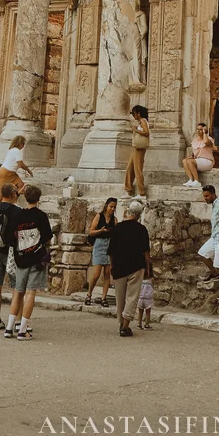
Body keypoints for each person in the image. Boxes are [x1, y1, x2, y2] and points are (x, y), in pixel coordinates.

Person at [4, 183, 53, 340]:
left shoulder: (18, 215)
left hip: (20, 257)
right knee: (31, 293)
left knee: (18, 292)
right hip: (36, 258)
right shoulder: (41, 216)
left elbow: (10, 237)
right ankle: (23, 330)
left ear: (25, 198)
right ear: (39, 199)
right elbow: (47, 237)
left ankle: (9, 327)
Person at [109, 198, 151, 338]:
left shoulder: (117, 228)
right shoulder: (142, 229)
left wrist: (111, 265)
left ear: (128, 211)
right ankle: (126, 325)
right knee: (132, 297)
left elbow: (111, 250)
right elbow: (146, 251)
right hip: (136, 266)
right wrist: (148, 267)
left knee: (120, 297)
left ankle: (122, 323)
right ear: (139, 215)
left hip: (119, 266)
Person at [0, 183, 20, 329]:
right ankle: (18, 321)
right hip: (11, 252)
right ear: (13, 194)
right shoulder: (17, 211)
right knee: (17, 287)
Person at [85, 197, 117, 306]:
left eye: (114, 207)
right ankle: (89, 294)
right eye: (111, 207)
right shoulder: (99, 216)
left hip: (109, 245)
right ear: (106, 206)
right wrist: (101, 230)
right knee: (96, 274)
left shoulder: (114, 219)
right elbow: (91, 232)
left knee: (107, 273)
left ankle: (104, 298)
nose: (112, 209)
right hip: (99, 244)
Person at [125, 105, 150, 198]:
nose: (134, 116)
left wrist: (136, 130)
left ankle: (142, 192)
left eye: (134, 113)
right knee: (129, 168)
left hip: (139, 149)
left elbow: (146, 132)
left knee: (137, 170)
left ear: (138, 113)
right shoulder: (141, 122)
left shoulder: (143, 121)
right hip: (136, 148)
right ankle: (128, 190)